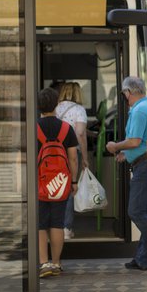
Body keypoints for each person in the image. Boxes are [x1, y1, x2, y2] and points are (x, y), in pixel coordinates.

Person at [106, 76, 147, 274]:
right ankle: (141, 258)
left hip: (145, 167)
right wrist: (127, 153)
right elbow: (140, 144)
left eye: (124, 94)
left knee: (135, 211)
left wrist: (116, 146)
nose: (125, 97)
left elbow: (134, 141)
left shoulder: (140, 110)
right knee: (146, 212)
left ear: (128, 92)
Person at [37, 87, 79, 278]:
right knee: (57, 223)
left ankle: (43, 263)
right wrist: (74, 181)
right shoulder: (65, 128)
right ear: (56, 105)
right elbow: (72, 158)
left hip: (38, 183)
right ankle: (56, 263)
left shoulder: (34, 128)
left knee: (40, 224)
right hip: (60, 182)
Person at [55, 82, 89, 240]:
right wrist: (85, 157)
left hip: (54, 153)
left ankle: (54, 227)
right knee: (70, 187)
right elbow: (80, 134)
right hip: (71, 151)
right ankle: (66, 228)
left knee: (56, 186)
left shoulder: (55, 108)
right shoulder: (78, 110)